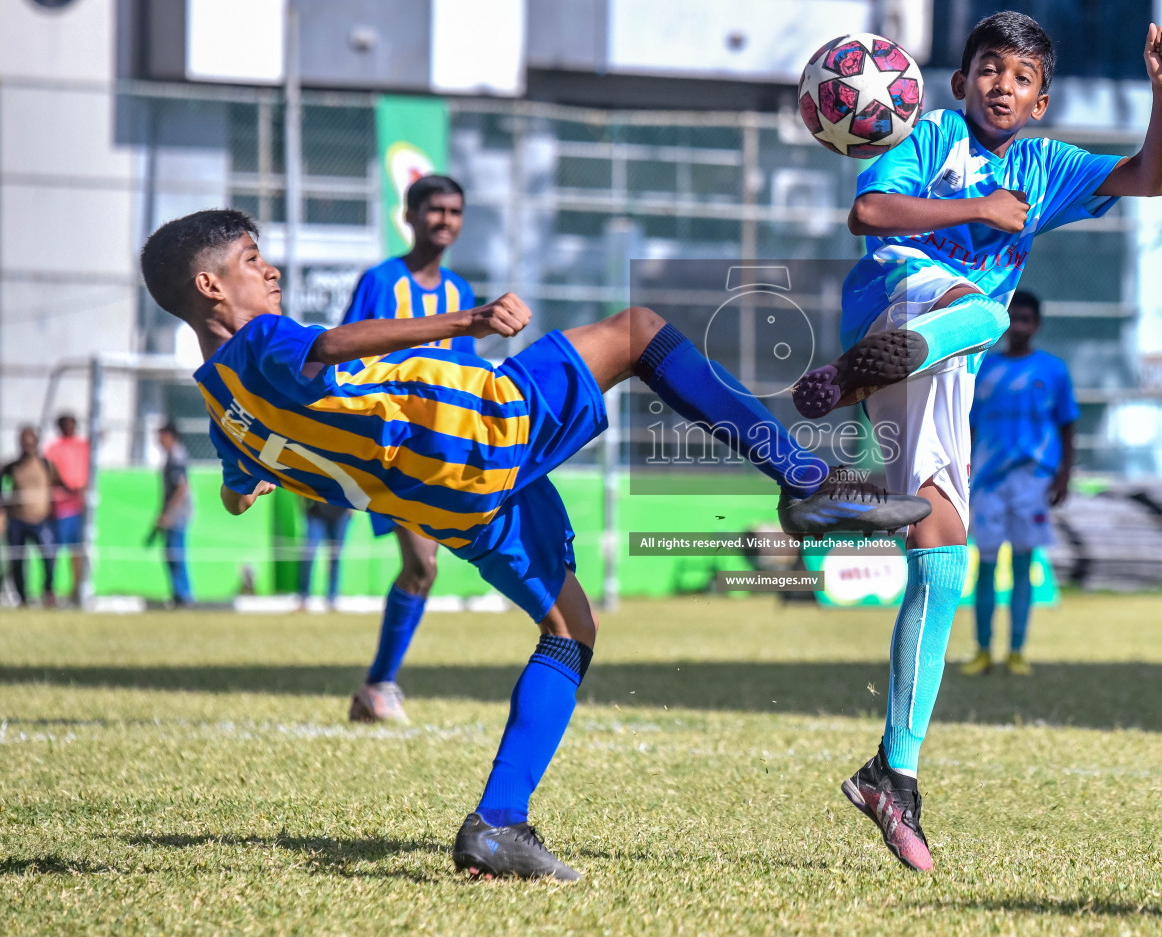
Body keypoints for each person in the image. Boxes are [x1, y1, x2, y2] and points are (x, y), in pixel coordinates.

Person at [138, 208, 928, 881]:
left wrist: (259, 482)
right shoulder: (260, 342)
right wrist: (467, 321)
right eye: (251, 260)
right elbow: (329, 346)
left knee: (571, 629)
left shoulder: (221, 408)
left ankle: (498, 824)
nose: (268, 270)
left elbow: (238, 490)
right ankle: (807, 478)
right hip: (474, 432)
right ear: (210, 288)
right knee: (637, 331)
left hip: (452, 507)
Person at [793, 11, 1162, 873]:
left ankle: (891, 773)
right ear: (958, 83)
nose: (1001, 84)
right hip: (901, 306)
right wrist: (974, 206)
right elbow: (869, 209)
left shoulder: (1046, 167)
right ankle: (856, 380)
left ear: (1040, 101)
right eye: (987, 69)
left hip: (941, 364)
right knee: (991, 307)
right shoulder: (930, 133)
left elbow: (1152, 178)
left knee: (942, 560)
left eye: (1019, 76)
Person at [339, 175, 480, 724]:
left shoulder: (460, 293)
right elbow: (346, 352)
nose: (445, 220)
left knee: (423, 570)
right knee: (422, 562)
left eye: (455, 211)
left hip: (436, 446)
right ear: (411, 215)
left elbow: (464, 372)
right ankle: (380, 685)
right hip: (384, 445)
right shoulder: (381, 280)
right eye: (435, 210)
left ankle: (376, 686)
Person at [960, 290, 1077, 677]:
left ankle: (1016, 650)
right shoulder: (984, 369)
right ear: (1006, 323)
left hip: (1033, 480)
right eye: (1016, 319)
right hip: (989, 480)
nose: (1021, 327)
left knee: (1025, 563)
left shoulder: (1053, 371)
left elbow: (1067, 424)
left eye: (1028, 319)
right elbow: (968, 425)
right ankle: (981, 650)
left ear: (1037, 324)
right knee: (987, 564)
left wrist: (1064, 474)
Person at [1, 426, 61, 607]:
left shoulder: (46, 465)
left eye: (30, 442)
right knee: (17, 561)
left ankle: (48, 592)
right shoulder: (12, 466)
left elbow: (59, 485)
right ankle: (22, 598)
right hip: (17, 521)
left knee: (49, 557)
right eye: (23, 442)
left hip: (41, 520)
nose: (27, 446)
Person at [45, 413, 89, 604]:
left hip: (79, 508)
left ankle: (78, 588)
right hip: (60, 507)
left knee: (77, 551)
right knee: (54, 551)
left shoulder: (83, 446)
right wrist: (67, 488)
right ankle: (50, 589)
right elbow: (51, 474)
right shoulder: (53, 449)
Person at [153, 421, 194, 606]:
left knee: (176, 554)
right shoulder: (171, 455)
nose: (158, 440)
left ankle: (183, 596)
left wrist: (168, 513)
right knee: (171, 554)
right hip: (174, 514)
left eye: (161, 436)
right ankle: (179, 594)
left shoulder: (176, 456)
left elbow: (181, 488)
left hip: (178, 515)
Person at [299, 498, 353, 609]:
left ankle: (332, 599)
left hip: (340, 513)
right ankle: (304, 597)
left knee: (335, 558)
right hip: (315, 512)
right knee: (308, 555)